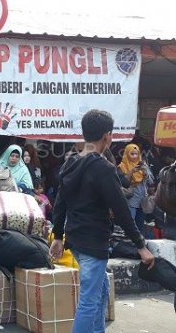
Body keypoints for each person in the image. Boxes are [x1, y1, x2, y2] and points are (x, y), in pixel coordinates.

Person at [49, 109, 155, 333]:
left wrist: (58, 236)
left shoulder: (71, 162)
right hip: (93, 242)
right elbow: (121, 210)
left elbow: (60, 202)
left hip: (76, 240)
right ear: (107, 136)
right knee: (88, 301)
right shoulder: (103, 167)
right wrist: (141, 246)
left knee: (101, 291)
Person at [118, 143, 154, 234]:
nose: (135, 156)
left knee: (140, 226)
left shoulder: (143, 165)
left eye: (136, 154)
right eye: (132, 154)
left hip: (142, 201)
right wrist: (131, 171)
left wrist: (145, 172)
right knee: (130, 225)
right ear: (126, 154)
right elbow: (121, 182)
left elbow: (150, 182)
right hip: (130, 200)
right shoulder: (122, 166)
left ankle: (139, 246)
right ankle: (129, 245)